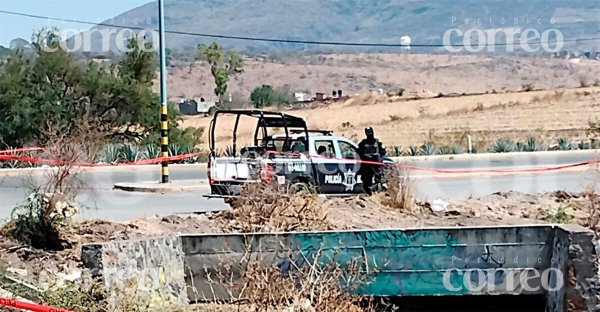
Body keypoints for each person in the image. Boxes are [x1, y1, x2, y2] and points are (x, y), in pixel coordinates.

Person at [357, 127, 386, 195]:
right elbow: (359, 152)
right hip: (366, 167)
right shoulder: (363, 143)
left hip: (376, 166)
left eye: (370, 132)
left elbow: (383, 152)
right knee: (366, 182)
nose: (369, 134)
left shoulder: (377, 142)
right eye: (368, 132)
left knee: (379, 181)